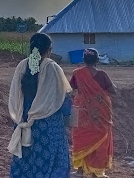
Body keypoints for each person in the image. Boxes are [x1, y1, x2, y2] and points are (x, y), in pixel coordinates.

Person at [9, 33, 73, 178]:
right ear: (49, 50)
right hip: (48, 123)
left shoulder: (22, 65)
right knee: (55, 161)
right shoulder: (52, 68)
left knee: (26, 159)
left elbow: (16, 94)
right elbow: (62, 97)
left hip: (25, 119)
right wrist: (69, 116)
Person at [70, 48, 116, 177]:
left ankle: (79, 171)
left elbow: (71, 87)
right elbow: (113, 91)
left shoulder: (77, 73)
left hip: (81, 111)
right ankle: (97, 172)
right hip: (100, 113)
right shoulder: (102, 75)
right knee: (100, 138)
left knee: (80, 137)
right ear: (97, 61)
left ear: (83, 60)